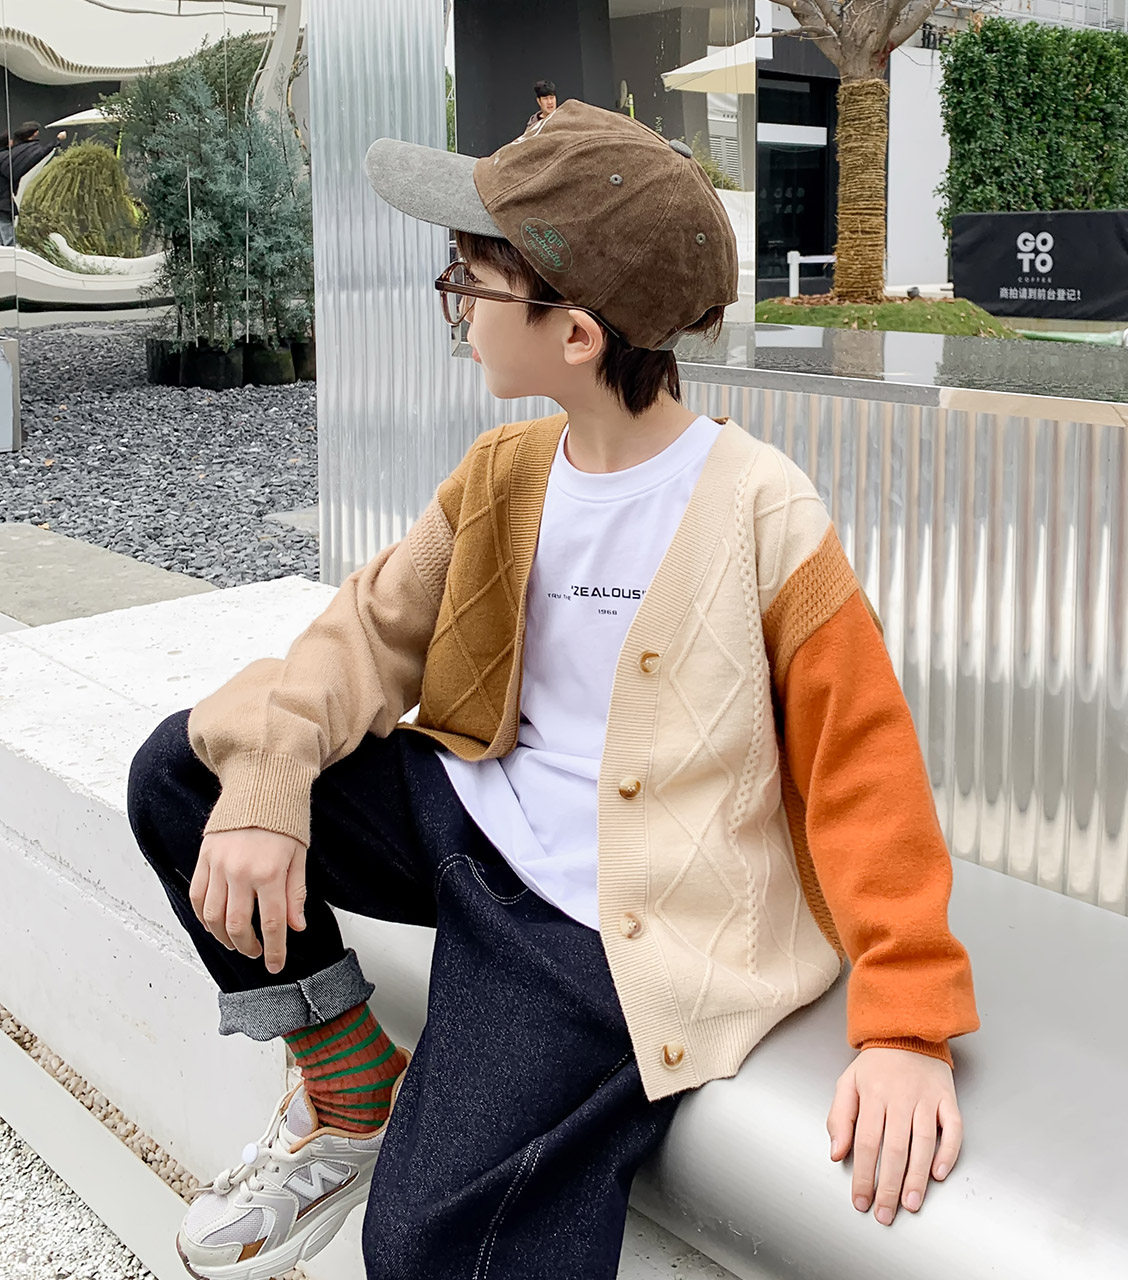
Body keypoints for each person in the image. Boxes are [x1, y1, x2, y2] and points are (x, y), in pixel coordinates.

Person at [126, 101, 979, 1280]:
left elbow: (863, 766)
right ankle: (348, 1082)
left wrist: (905, 1025)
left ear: (574, 334)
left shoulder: (758, 509)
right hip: (472, 821)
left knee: (424, 1244)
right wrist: (270, 786)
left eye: (466, 283)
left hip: (605, 923)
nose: (455, 309)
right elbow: (359, 638)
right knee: (184, 773)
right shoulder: (504, 471)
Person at [0, 121, 66, 246]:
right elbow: (39, 154)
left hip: (4, 202)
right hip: (3, 204)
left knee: (4, 236)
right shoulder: (9, 157)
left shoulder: (10, 155)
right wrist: (57, 140)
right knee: (7, 237)